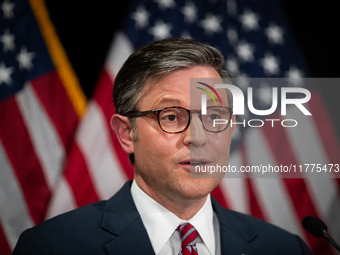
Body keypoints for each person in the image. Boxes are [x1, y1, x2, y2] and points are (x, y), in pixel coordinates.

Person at [13, 38, 312, 255]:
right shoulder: (52, 247)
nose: (197, 137)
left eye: (214, 117)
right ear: (127, 133)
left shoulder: (284, 248)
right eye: (171, 116)